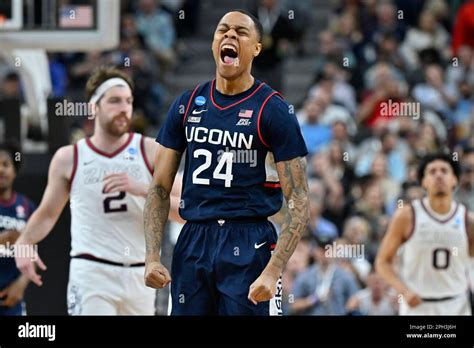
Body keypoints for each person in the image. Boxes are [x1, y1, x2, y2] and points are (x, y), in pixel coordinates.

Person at [144, 9, 309, 316]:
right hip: (194, 237)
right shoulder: (186, 104)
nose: (230, 35)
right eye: (223, 30)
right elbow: (159, 189)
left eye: (241, 32)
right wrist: (152, 256)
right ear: (213, 42)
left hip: (251, 241)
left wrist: (273, 271)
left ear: (256, 49)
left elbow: (299, 197)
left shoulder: (273, 110)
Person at [14, 66, 182, 315]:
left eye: (128, 101)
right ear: (93, 108)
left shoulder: (151, 151)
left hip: (140, 274)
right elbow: (48, 214)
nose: (124, 108)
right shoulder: (69, 157)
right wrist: (24, 241)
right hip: (92, 271)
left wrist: (143, 190)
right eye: (114, 101)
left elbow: (188, 209)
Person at [376, 153, 474, 315]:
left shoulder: (467, 220)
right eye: (432, 171)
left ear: (454, 180)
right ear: (423, 181)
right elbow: (382, 262)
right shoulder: (407, 216)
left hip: (457, 305)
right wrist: (404, 291)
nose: (439, 175)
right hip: (418, 306)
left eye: (444, 170)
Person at [0, 142, 36, 315]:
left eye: (5, 164)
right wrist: (3, 239)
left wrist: (21, 283)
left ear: (15, 171)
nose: (1, 170)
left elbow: (34, 255)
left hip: (12, 299)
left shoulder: (27, 207)